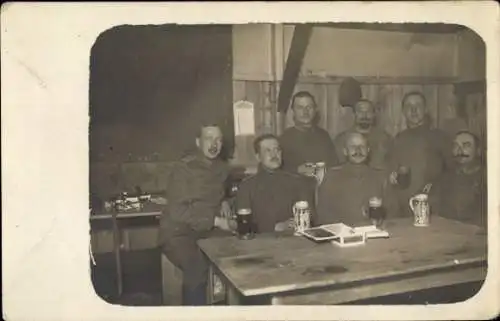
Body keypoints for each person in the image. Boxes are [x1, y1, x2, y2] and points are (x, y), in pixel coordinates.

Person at [158, 123, 233, 306]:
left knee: (234, 256)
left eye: (218, 139)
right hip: (179, 232)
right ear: (198, 142)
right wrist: (215, 220)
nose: (214, 144)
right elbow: (178, 211)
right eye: (209, 138)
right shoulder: (183, 169)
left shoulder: (223, 168)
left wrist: (225, 201)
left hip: (207, 231)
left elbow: (220, 192)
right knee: (196, 267)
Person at [387, 91, 454, 217]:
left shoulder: (440, 137)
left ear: (426, 109)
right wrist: (392, 176)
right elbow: (392, 170)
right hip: (403, 210)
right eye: (408, 106)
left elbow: (455, 170)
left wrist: (438, 183)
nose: (413, 110)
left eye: (418, 105)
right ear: (403, 111)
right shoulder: (398, 139)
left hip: (432, 207)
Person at [235, 134, 316, 233]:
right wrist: (275, 227)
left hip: (294, 240)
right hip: (260, 243)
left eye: (277, 150)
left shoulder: (297, 182)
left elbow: (312, 216)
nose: (274, 155)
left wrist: (300, 222)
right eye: (268, 150)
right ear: (258, 157)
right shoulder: (247, 186)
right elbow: (243, 225)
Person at [316, 132, 396, 226]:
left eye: (362, 146)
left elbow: (393, 212)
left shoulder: (380, 177)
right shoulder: (332, 176)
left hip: (376, 233)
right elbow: (324, 214)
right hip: (343, 235)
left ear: (368, 150)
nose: (358, 150)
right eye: (353, 146)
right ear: (345, 151)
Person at [429, 131, 486, 227]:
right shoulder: (445, 177)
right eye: (456, 146)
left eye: (466, 146)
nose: (459, 151)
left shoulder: (489, 178)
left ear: (478, 151)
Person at [279, 91, 339, 176]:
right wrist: (296, 170)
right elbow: (277, 170)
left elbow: (334, 165)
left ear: (315, 110)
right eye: (300, 108)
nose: (305, 112)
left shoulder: (323, 136)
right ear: (293, 111)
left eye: (309, 107)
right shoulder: (284, 139)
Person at [333, 99, 393, 169]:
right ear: (354, 114)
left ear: (374, 114)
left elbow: (392, 166)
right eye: (360, 111)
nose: (365, 115)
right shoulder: (342, 139)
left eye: (368, 111)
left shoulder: (385, 139)